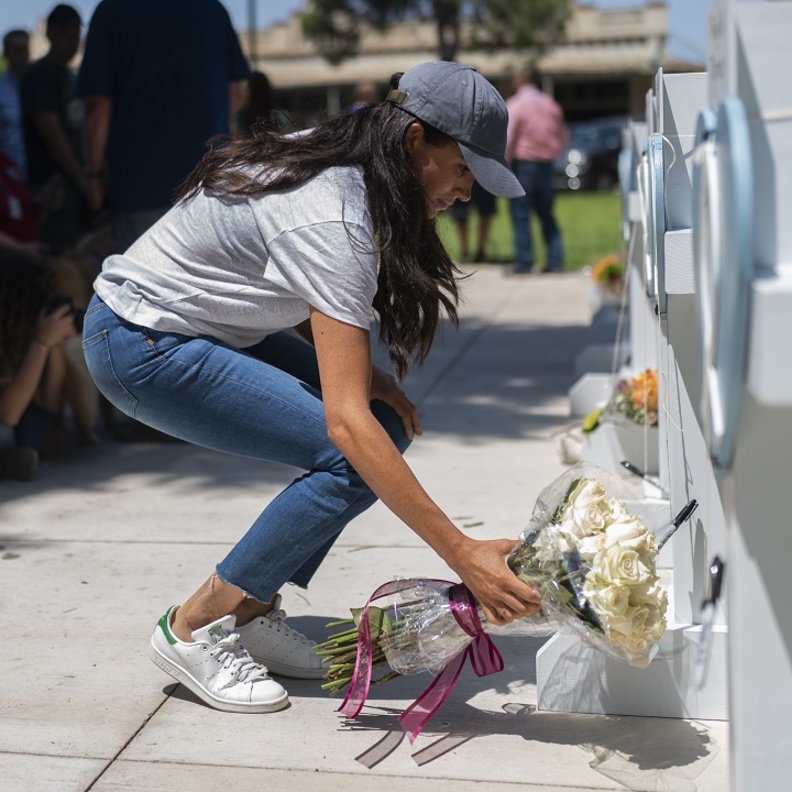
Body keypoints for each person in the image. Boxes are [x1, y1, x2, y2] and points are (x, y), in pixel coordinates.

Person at [81, 61, 539, 714]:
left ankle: (251, 610)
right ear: (415, 140)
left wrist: (363, 372)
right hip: (139, 342)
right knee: (354, 452)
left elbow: (265, 268)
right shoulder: (337, 216)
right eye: (464, 169)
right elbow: (345, 426)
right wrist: (462, 553)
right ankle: (193, 628)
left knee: (371, 426)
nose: (467, 192)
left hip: (187, 322)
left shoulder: (344, 160)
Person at [77, 0, 250, 253]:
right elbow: (234, 97)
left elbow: (98, 109)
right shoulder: (212, 10)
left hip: (139, 189)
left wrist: (93, 179)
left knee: (145, 286)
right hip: (211, 187)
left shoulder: (110, 11)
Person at [0, 256, 79, 480]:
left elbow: (49, 403)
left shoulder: (15, 341)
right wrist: (41, 342)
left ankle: (12, 457)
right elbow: (7, 415)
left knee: (36, 416)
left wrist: (52, 345)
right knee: (5, 431)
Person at [20, 4, 88, 249]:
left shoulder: (72, 76)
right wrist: (81, 179)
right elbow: (50, 130)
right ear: (50, 34)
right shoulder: (40, 74)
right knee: (58, 261)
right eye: (66, 34)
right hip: (52, 187)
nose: (72, 42)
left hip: (76, 184)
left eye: (76, 35)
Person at [505, 63, 568, 274]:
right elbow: (563, 136)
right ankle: (556, 260)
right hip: (547, 165)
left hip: (524, 165)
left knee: (520, 214)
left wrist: (504, 163)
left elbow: (509, 137)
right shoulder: (551, 104)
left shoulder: (516, 105)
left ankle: (524, 262)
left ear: (518, 81)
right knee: (546, 214)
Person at [0, 28, 31, 176]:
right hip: (11, 174)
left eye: (25, 50)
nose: (22, 56)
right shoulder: (2, 91)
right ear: (6, 54)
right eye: (17, 51)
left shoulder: (40, 85)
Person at [447, 180, 497, 263]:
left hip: (484, 176)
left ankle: (480, 252)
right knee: (461, 215)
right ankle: (465, 252)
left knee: (485, 213)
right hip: (465, 172)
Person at [233, 71, 290, 138]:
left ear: (248, 92)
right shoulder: (281, 115)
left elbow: (237, 140)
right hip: (276, 147)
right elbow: (287, 136)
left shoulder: (241, 117)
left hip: (250, 148)